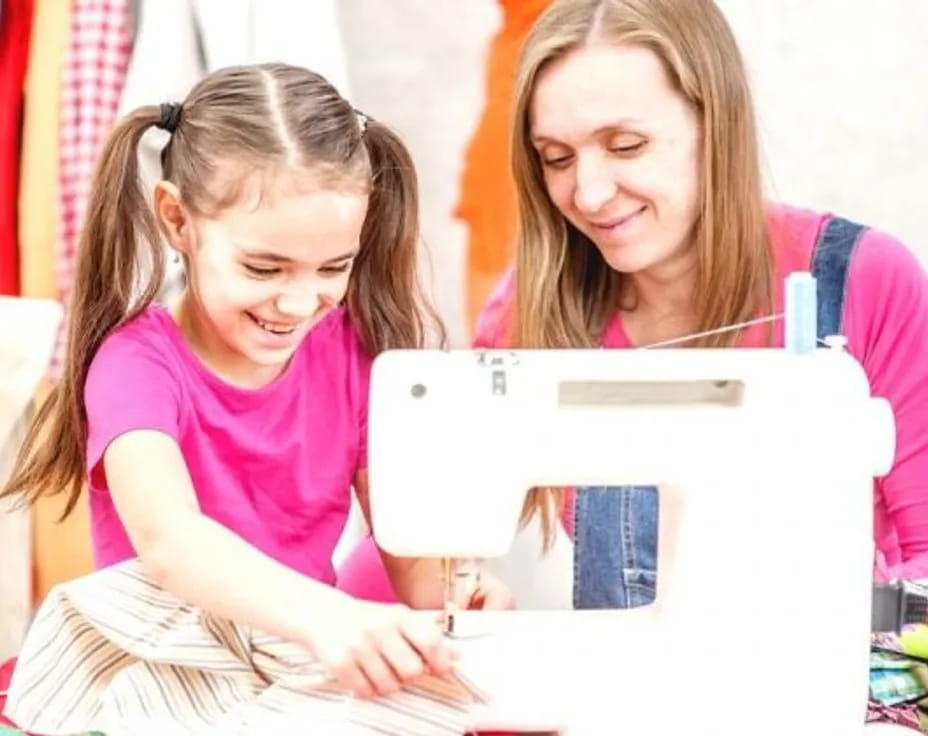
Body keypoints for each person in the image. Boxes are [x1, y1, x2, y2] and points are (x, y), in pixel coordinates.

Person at [0, 62, 513, 702]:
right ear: (178, 221)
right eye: (265, 267)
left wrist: (458, 591)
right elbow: (170, 541)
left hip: (292, 661)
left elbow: (406, 548)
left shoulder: (353, 355)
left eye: (334, 267)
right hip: (166, 665)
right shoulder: (134, 364)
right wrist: (332, 619)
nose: (299, 303)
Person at [470, 0, 928, 609]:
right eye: (556, 157)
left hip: (839, 692)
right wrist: (395, 599)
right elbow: (424, 527)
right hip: (631, 694)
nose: (589, 191)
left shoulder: (864, 280)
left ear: (716, 124)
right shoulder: (530, 311)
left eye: (627, 145)